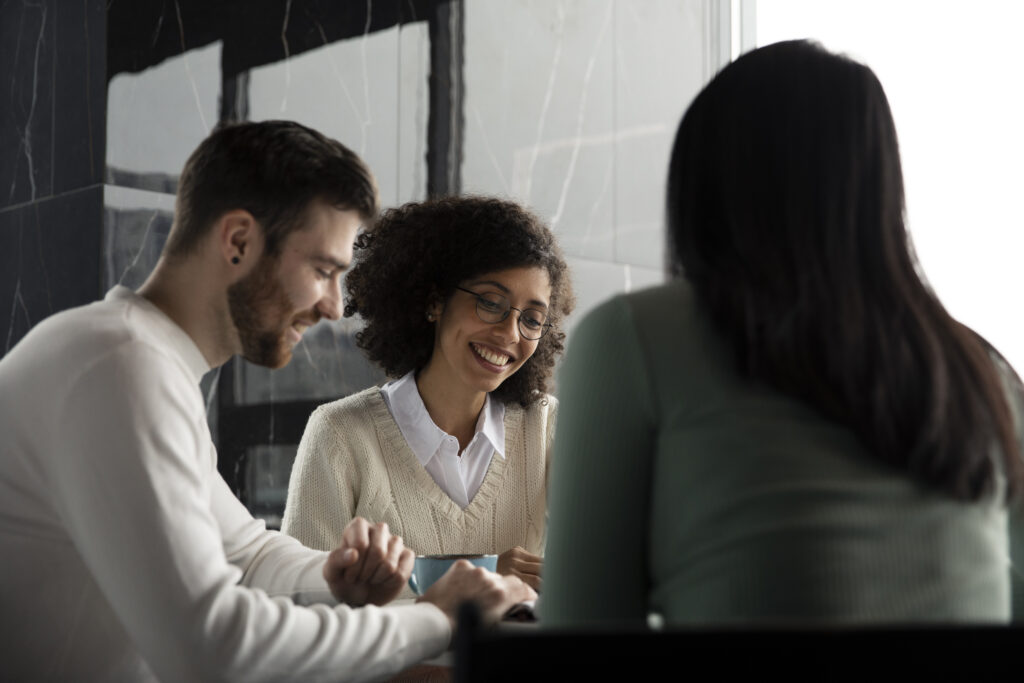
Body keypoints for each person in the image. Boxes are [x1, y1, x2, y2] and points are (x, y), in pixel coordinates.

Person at [0, 120, 533, 682]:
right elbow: (214, 647)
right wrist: (437, 620)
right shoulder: (120, 367)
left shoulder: (134, 358)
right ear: (237, 241)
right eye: (324, 270)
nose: (333, 306)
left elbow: (247, 555)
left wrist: (334, 573)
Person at [542, 40, 1024, 627]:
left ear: (704, 183)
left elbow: (578, 634)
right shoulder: (980, 369)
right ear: (879, 183)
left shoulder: (633, 337)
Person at [281, 196, 575, 592]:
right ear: (435, 301)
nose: (510, 334)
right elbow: (302, 607)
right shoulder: (339, 435)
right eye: (491, 303)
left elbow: (609, 571)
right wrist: (482, 576)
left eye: (532, 319)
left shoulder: (546, 427)